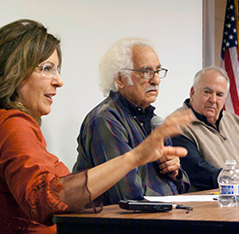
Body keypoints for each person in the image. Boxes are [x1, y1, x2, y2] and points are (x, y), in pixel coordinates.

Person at [0, 19, 195, 234]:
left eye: (57, 69)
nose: (59, 81)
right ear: (11, 72)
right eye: (46, 69)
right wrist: (134, 157)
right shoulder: (9, 124)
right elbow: (46, 199)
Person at [73, 37, 191, 205]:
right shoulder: (106, 120)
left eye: (157, 71)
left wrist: (175, 173)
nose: (156, 80)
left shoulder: (153, 120)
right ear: (120, 79)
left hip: (162, 215)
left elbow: (183, 185)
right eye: (146, 72)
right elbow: (127, 195)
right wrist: (171, 204)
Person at [171, 66, 239, 191]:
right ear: (192, 93)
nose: (213, 100)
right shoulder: (177, 126)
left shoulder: (234, 121)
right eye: (207, 92)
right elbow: (199, 172)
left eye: (219, 94)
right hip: (210, 205)